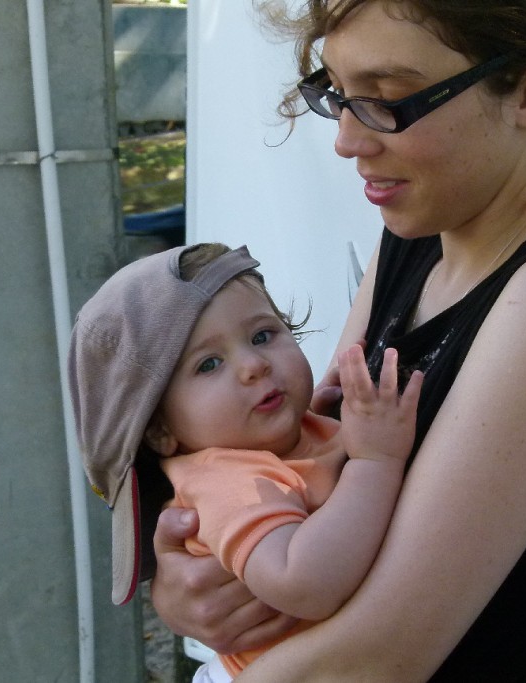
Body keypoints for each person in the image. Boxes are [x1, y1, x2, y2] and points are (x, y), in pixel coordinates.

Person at [150, 1, 526, 681]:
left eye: (389, 99)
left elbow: (381, 654)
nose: (346, 140)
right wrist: (188, 580)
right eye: (338, 93)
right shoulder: (420, 238)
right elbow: (302, 456)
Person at [66, 243, 423, 680]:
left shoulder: (297, 434)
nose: (253, 365)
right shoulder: (225, 483)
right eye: (209, 364)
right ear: (159, 430)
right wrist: (375, 461)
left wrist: (332, 423)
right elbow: (304, 583)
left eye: (262, 335)